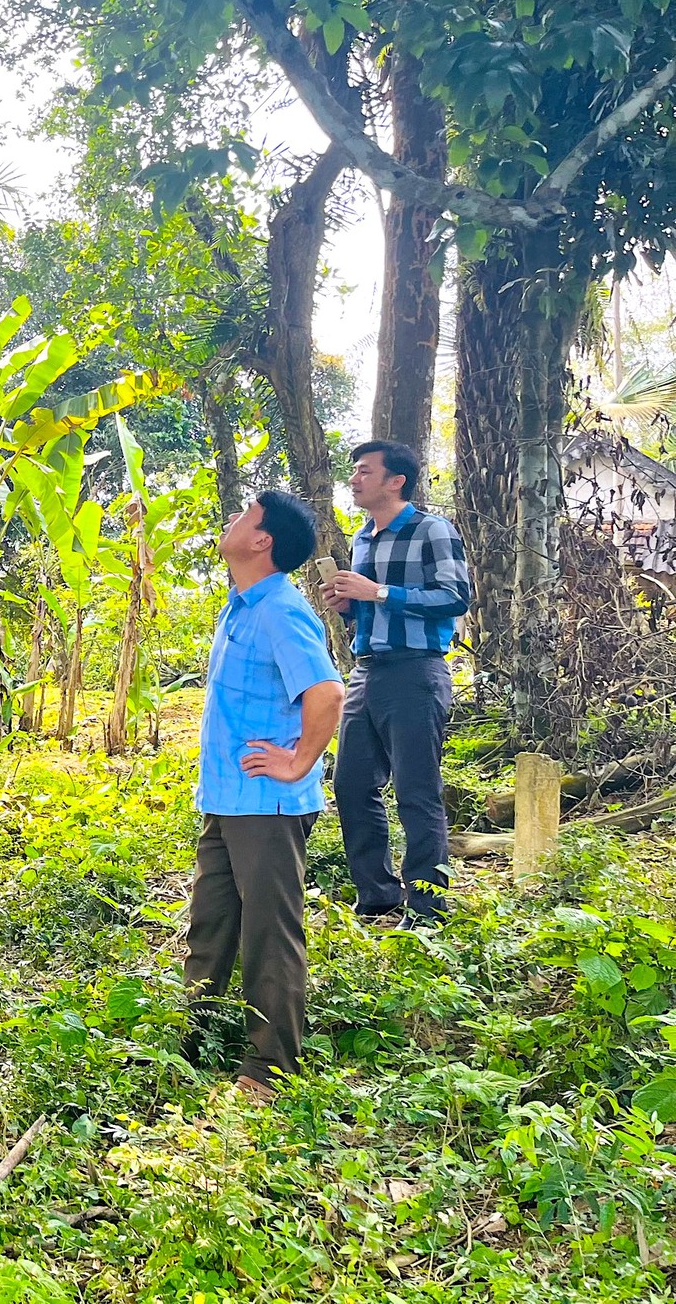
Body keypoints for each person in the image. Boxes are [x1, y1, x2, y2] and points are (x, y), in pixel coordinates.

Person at [186, 490, 345, 1102]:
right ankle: (192, 1033)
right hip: (228, 797)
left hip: (267, 805)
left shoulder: (280, 609)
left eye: (244, 516)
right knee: (213, 919)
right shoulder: (242, 605)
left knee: (269, 931)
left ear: (263, 541)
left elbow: (326, 693)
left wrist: (300, 760)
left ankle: (269, 1067)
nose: (232, 520)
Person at [322, 440, 471, 928]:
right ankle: (378, 897)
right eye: (354, 472)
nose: (354, 479)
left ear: (396, 480)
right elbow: (373, 607)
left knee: (416, 790)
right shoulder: (363, 537)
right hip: (367, 671)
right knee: (350, 785)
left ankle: (428, 909)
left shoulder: (433, 529)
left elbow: (454, 597)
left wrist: (378, 591)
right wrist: (351, 604)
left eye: (364, 471)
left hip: (416, 670)